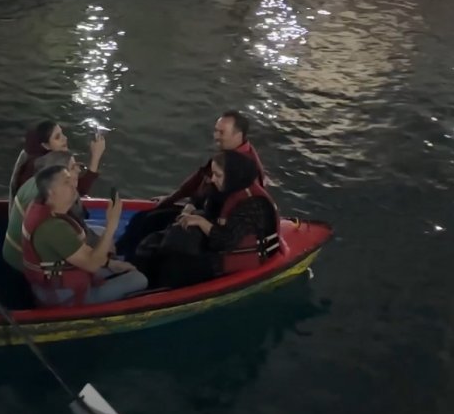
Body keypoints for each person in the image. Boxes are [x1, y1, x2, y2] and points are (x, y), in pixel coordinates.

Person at [116, 110, 267, 259]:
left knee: (153, 226)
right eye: (215, 131)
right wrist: (174, 199)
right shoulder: (225, 155)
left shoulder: (244, 169)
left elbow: (233, 216)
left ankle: (129, 260)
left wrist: (196, 216)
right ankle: (118, 252)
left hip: (216, 226)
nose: (216, 136)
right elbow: (200, 180)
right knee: (144, 218)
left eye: (221, 133)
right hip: (202, 210)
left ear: (238, 135)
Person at [149, 149, 280, 288]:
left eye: (218, 175)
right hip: (213, 242)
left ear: (232, 175)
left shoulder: (252, 204)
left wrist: (200, 222)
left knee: (174, 266)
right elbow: (199, 198)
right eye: (213, 173)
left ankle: (160, 288)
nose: (212, 179)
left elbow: (226, 241)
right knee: (157, 236)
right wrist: (188, 208)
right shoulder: (224, 187)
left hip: (231, 254)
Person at [21, 165, 148, 306]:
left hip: (59, 279)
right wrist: (111, 225)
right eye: (66, 182)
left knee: (117, 263)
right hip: (63, 296)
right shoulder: (53, 228)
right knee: (139, 279)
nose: (74, 185)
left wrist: (110, 264)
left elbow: (83, 251)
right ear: (51, 192)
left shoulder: (48, 210)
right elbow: (92, 265)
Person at [2, 150, 98, 272]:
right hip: (23, 262)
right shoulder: (53, 205)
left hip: (13, 252)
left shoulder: (39, 183)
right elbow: (89, 261)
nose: (79, 170)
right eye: (73, 167)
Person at [8, 120, 105, 199]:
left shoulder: (33, 157)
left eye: (62, 134)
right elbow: (79, 190)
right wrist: (96, 156)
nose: (65, 138)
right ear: (45, 145)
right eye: (57, 137)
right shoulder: (43, 168)